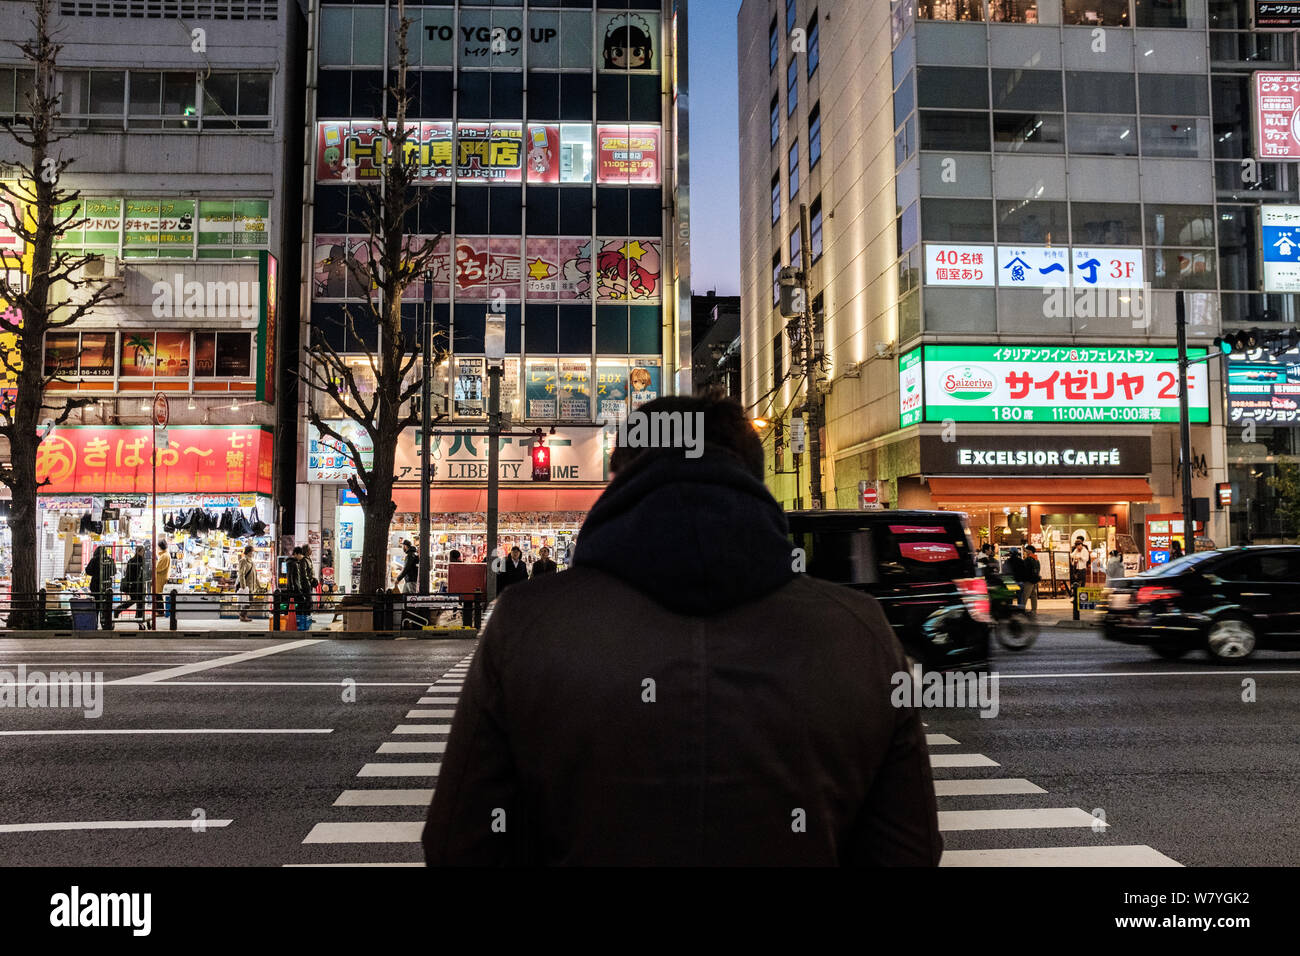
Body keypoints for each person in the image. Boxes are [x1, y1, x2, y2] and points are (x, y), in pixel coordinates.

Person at [423, 394, 943, 866]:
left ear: (620, 476)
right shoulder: (857, 632)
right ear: (755, 480)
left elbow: (459, 843)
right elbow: (909, 847)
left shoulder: (529, 624)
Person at [85, 545, 116, 631]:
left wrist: (96, 573)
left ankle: (94, 624)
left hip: (95, 585)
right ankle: (107, 624)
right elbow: (114, 572)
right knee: (107, 605)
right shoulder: (110, 560)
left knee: (96, 606)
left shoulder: (94, 560)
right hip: (107, 586)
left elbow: (88, 571)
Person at [115, 545, 147, 624]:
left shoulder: (131, 560)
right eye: (142, 551)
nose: (143, 553)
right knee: (138, 600)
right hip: (138, 584)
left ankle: (138, 617)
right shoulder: (140, 561)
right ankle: (138, 617)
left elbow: (128, 573)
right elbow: (141, 573)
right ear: (139, 551)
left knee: (137, 600)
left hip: (132, 584)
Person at [237, 546, 259, 623]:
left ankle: (243, 615)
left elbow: (255, 574)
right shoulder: (243, 561)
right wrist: (243, 586)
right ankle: (242, 615)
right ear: (249, 552)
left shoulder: (252, 562)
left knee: (250, 601)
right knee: (247, 601)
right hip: (246, 586)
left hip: (251, 586)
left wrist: (259, 585)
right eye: (252, 552)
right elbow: (241, 574)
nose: (253, 553)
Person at [153, 538, 171, 627]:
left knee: (158, 594)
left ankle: (160, 611)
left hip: (160, 578)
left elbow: (159, 568)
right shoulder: (164, 555)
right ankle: (159, 611)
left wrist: (154, 568)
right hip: (160, 577)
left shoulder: (165, 556)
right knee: (158, 594)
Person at [1020, 544, 1041, 616]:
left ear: (1030, 551)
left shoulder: (1028, 559)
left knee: (1025, 596)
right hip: (1035, 580)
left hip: (1029, 580)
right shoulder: (1036, 559)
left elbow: (1024, 569)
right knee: (1033, 595)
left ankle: (1022, 610)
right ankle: (1034, 610)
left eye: (1026, 550)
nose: (1025, 551)